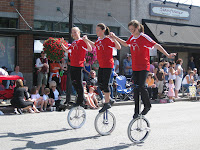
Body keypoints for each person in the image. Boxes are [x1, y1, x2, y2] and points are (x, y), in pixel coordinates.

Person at [110, 20, 176, 118]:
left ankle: (147, 105)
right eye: (130, 30)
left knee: (141, 86)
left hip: (144, 66)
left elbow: (156, 45)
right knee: (135, 89)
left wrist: (167, 54)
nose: (131, 31)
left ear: (137, 28)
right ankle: (136, 111)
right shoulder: (132, 37)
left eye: (133, 29)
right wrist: (115, 37)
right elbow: (125, 43)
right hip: (135, 67)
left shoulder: (143, 37)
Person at [82, 23, 121, 112]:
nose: (97, 32)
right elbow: (95, 45)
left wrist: (114, 39)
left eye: (98, 30)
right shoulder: (99, 40)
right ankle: (109, 99)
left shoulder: (107, 39)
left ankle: (107, 103)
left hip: (108, 65)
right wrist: (87, 41)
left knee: (105, 84)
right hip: (102, 65)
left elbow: (118, 47)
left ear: (103, 30)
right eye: (96, 30)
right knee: (99, 84)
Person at [61, 27, 92, 107]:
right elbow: (67, 50)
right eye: (72, 32)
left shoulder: (81, 41)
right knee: (74, 82)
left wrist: (86, 40)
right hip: (72, 65)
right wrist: (61, 44)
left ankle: (80, 100)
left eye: (75, 32)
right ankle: (81, 98)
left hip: (79, 65)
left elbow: (90, 49)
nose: (74, 34)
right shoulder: (74, 42)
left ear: (79, 32)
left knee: (79, 82)